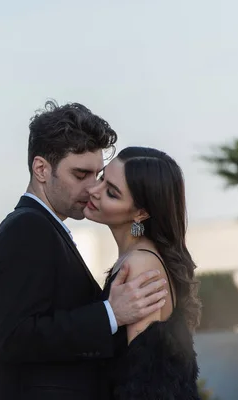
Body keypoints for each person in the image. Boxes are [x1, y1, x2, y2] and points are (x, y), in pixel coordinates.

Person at [0, 101, 169, 400]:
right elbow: (15, 337)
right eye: (80, 175)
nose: (91, 188)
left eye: (97, 175)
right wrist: (111, 313)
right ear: (42, 169)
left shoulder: (44, 227)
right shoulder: (27, 227)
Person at [85, 146, 201, 399]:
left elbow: (141, 378)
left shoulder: (140, 266)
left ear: (141, 213)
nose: (93, 191)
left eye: (111, 193)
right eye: (102, 178)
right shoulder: (138, 257)